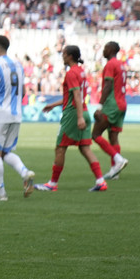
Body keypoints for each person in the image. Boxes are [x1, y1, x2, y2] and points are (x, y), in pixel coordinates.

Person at [34, 45, 108, 192]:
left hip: (73, 114)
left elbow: (77, 95)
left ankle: (52, 184)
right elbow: (73, 95)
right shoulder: (81, 72)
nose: (62, 56)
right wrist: (53, 105)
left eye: (64, 54)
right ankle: (101, 181)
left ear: (70, 56)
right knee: (85, 148)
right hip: (84, 111)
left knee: (60, 148)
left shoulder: (71, 73)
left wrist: (79, 118)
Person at [0, 35, 36, 201]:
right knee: (5, 152)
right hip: (16, 114)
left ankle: (0, 193)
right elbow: (23, 91)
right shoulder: (18, 65)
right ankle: (25, 172)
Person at [92, 41, 130, 179]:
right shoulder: (121, 65)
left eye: (105, 48)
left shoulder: (110, 64)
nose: (103, 50)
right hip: (122, 103)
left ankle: (118, 160)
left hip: (112, 105)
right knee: (113, 137)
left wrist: (99, 107)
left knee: (95, 134)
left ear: (111, 50)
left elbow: (108, 85)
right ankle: (115, 171)